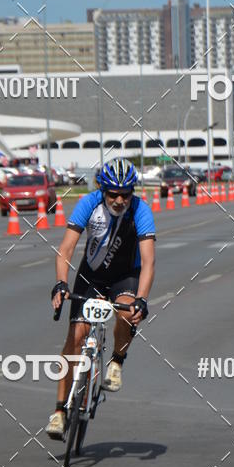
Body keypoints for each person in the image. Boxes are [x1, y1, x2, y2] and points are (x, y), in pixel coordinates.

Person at [46, 157, 156, 439]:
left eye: (125, 194)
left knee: (128, 312)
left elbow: (148, 262)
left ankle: (117, 361)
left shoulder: (141, 210)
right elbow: (66, 249)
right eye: (113, 194)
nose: (119, 200)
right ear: (101, 189)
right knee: (75, 339)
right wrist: (60, 283)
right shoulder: (88, 203)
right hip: (91, 276)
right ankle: (59, 411)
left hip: (125, 276)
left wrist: (141, 299)